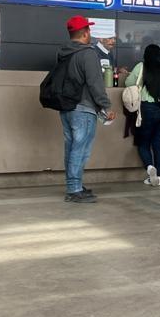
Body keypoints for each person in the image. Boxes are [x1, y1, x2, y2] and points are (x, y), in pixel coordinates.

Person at [53, 16, 116, 203]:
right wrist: (105, 106)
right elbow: (96, 84)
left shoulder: (63, 52)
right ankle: (73, 189)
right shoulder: (88, 54)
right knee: (81, 149)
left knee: (72, 148)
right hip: (83, 108)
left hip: (66, 107)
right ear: (85, 32)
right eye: (89, 30)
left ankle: (75, 184)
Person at [125, 45, 160, 187]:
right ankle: (158, 177)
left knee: (143, 143)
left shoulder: (141, 66)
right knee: (158, 143)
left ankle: (150, 167)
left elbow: (128, 83)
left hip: (148, 109)